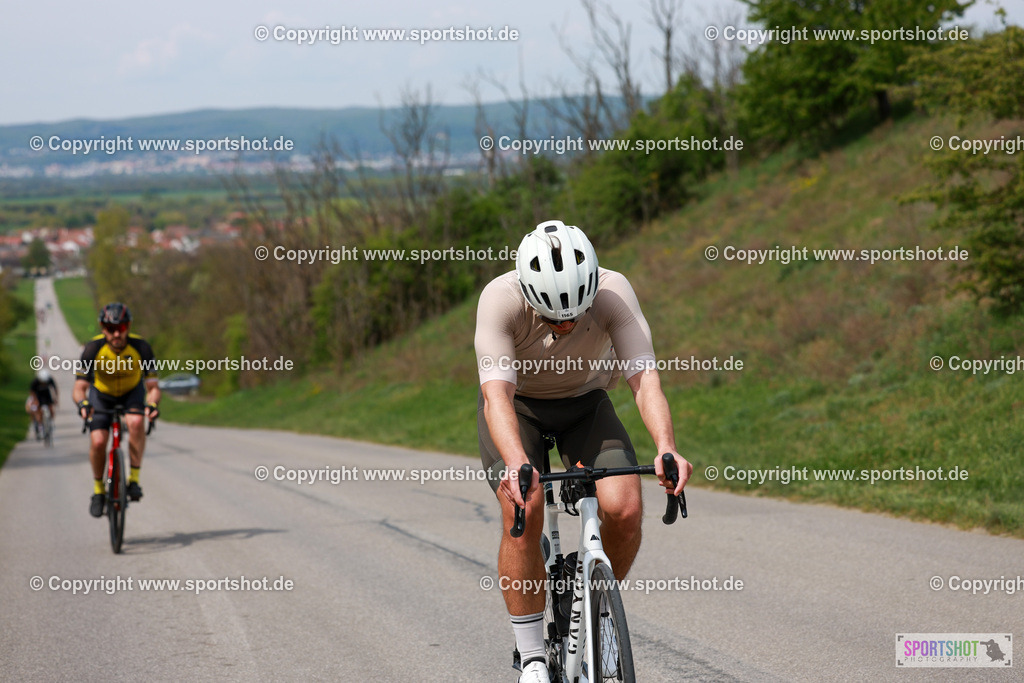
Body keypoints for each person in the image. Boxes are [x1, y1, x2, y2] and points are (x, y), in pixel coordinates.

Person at [474, 220, 692, 683]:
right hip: (518, 407)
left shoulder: (614, 293)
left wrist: (666, 448)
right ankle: (531, 656)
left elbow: (644, 379)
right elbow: (496, 396)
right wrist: (517, 465)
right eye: (556, 318)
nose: (569, 324)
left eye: (577, 312)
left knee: (626, 507)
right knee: (525, 507)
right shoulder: (500, 299)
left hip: (585, 403)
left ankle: (594, 606)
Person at [72, 302, 160, 518]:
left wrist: (152, 405)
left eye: (121, 328)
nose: (116, 334)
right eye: (110, 329)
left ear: (128, 326)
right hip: (102, 396)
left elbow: (153, 387)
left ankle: (134, 480)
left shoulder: (141, 347)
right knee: (99, 441)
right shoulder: (93, 349)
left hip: (132, 393)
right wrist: (83, 404)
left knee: (137, 423)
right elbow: (79, 387)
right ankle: (98, 491)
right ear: (103, 329)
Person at [28, 369, 58, 439]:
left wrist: (56, 399)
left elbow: (55, 389)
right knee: (38, 410)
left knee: (51, 408)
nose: (44, 383)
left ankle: (51, 422)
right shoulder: (35, 382)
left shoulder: (50, 380)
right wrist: (35, 400)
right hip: (38, 396)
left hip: (47, 395)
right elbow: (32, 392)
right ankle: (39, 424)